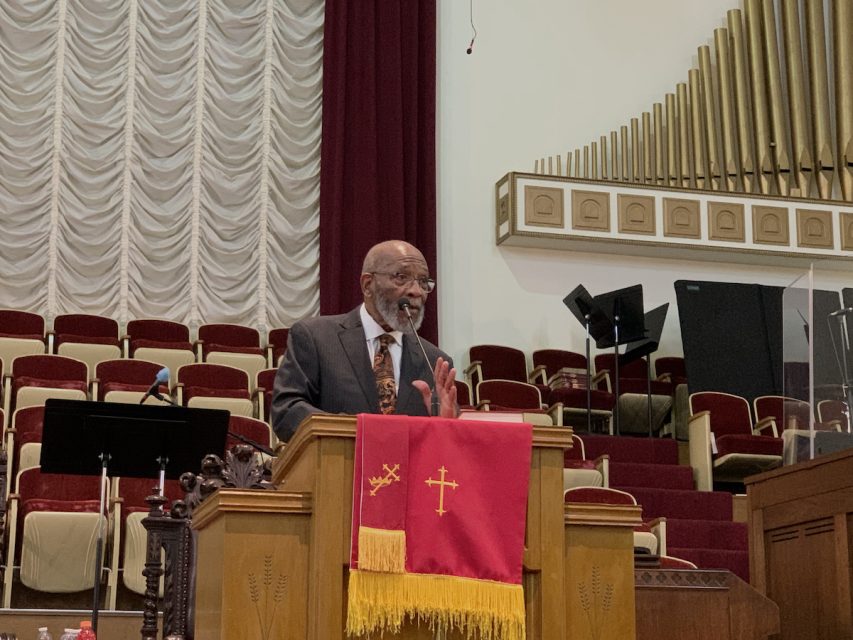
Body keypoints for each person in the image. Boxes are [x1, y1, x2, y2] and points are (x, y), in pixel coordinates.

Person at [271, 240, 457, 442]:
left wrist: (448, 425)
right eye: (401, 277)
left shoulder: (435, 362)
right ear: (368, 285)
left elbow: (446, 447)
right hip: (337, 468)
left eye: (423, 282)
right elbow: (287, 412)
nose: (417, 291)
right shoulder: (315, 337)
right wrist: (359, 431)